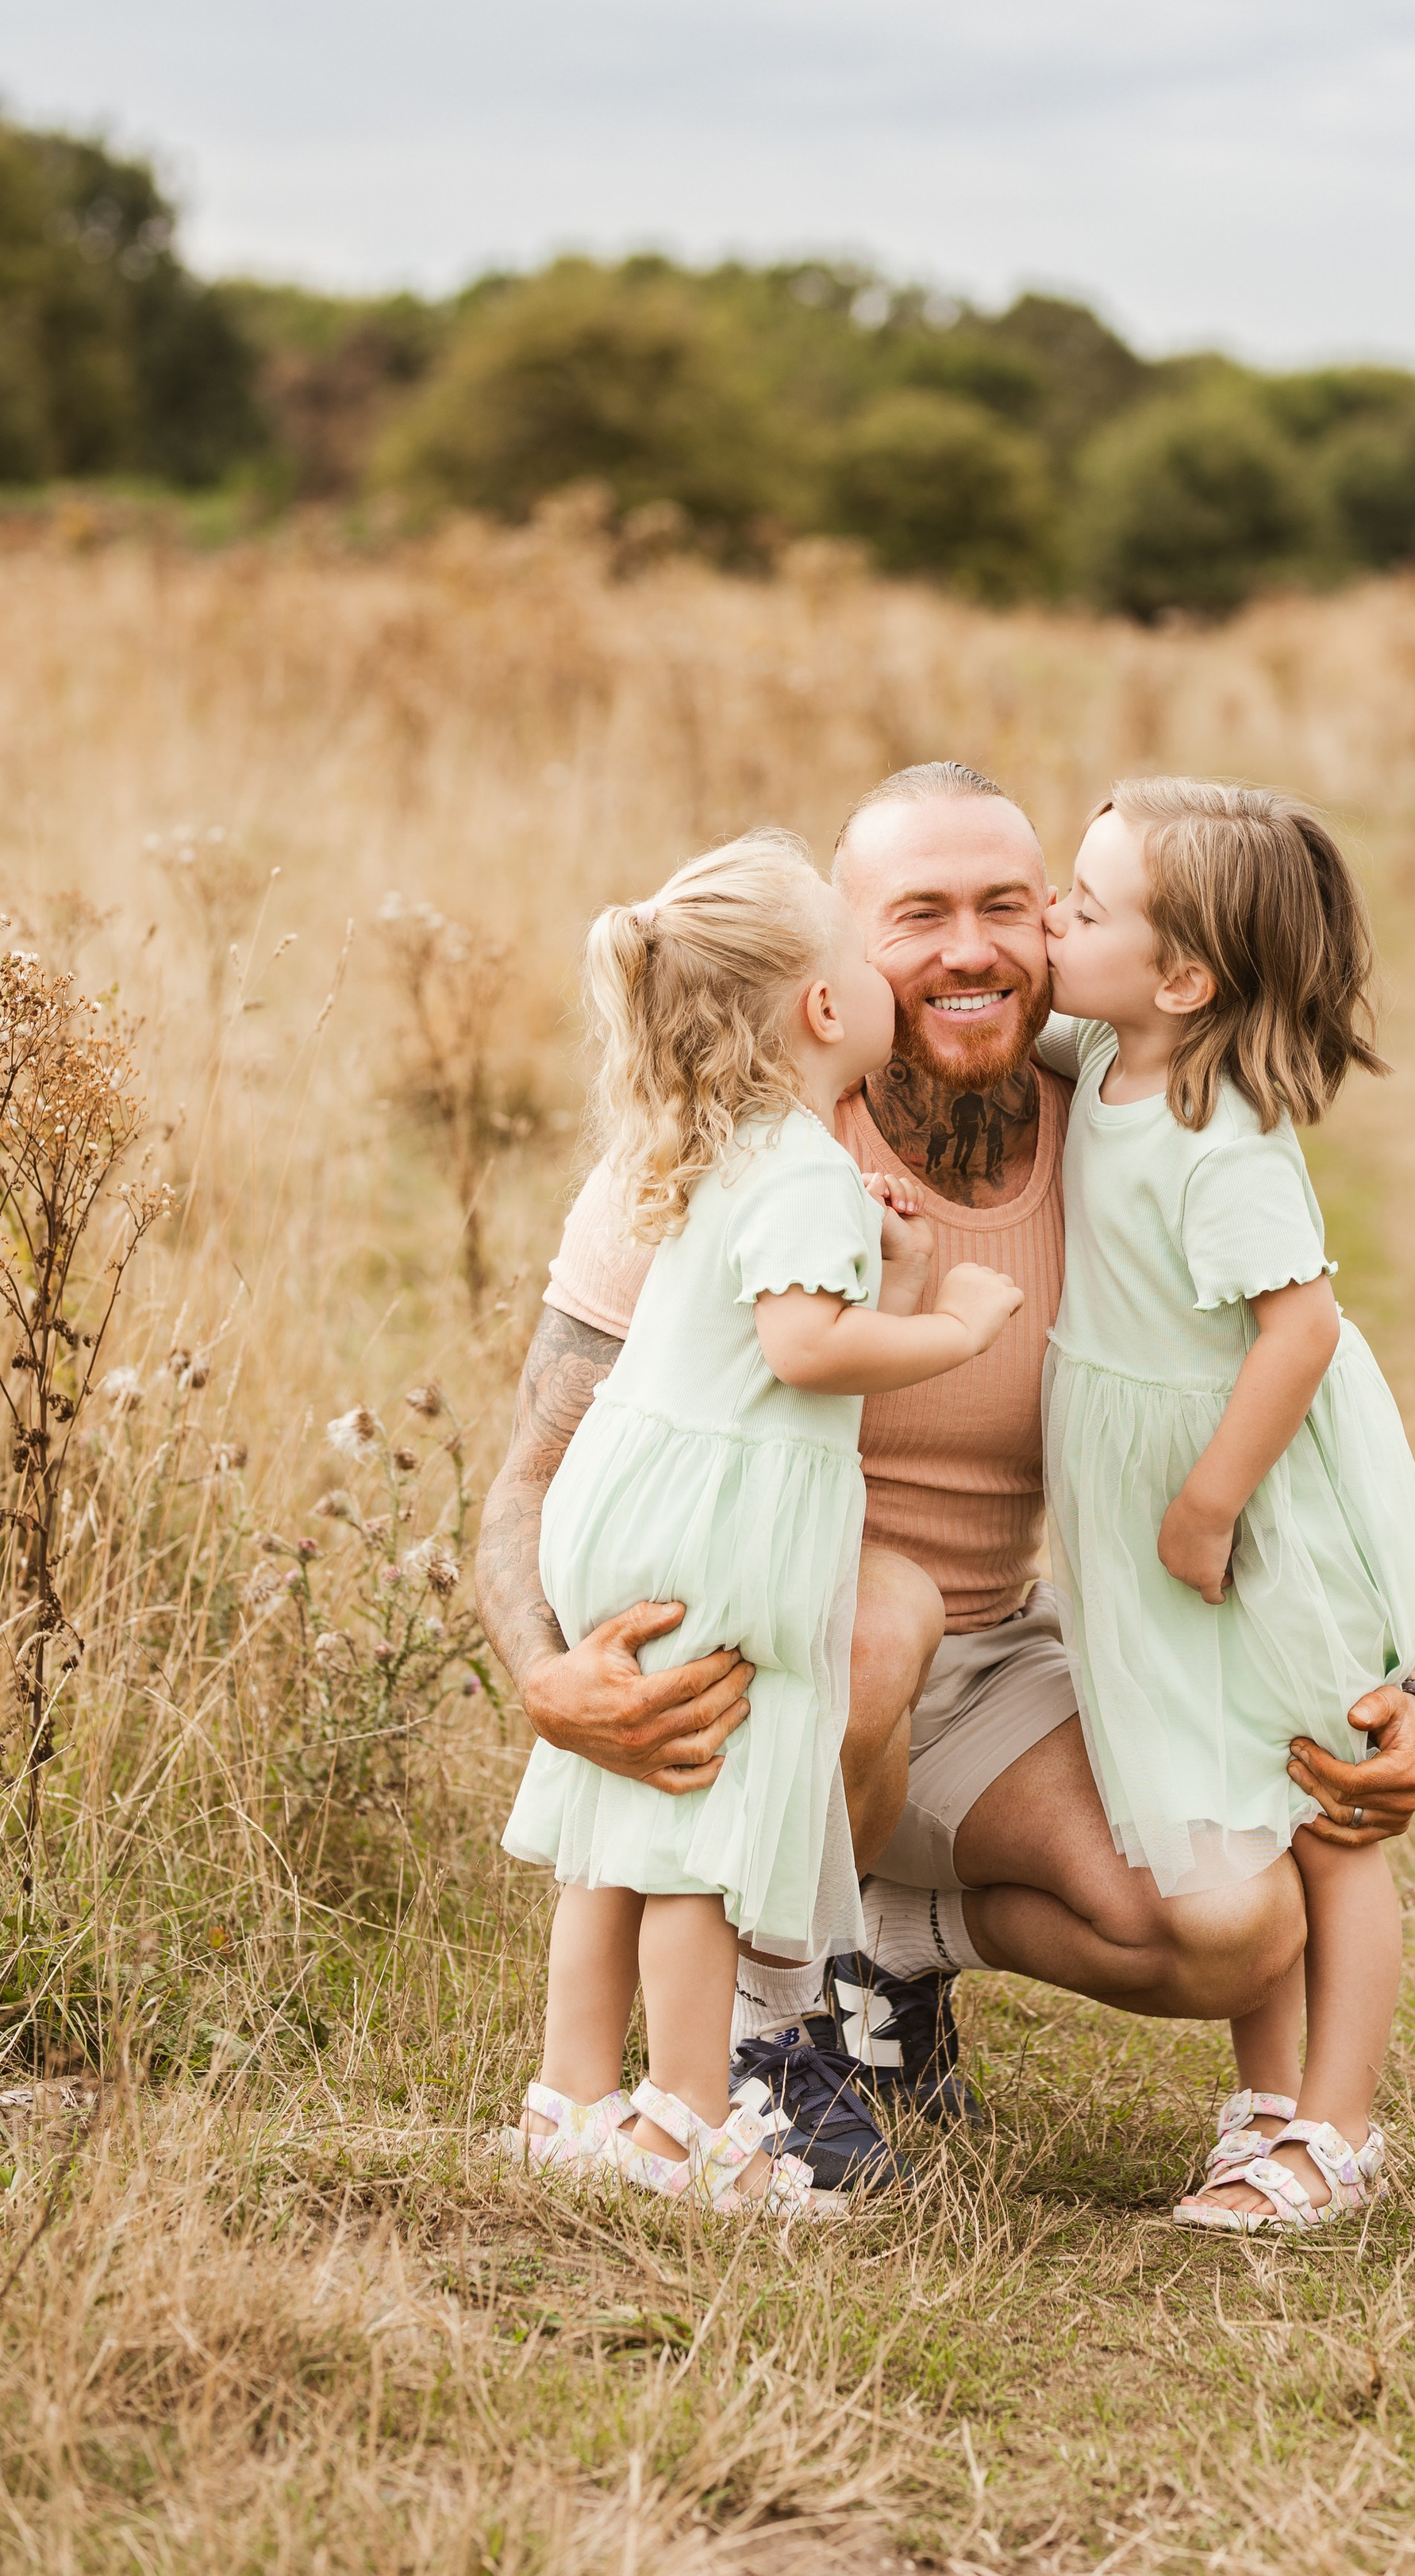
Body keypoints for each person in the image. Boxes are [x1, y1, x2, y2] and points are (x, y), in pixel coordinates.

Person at [475, 764, 1415, 2191]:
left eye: (1010, 904)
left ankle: (889, 1951)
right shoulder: (713, 1159)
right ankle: (776, 2043)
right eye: (916, 915)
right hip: (793, 1659)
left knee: (1236, 1931)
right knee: (878, 1611)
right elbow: (526, 1481)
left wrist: (1409, 1696)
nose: (973, 949)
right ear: (832, 964)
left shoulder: (1115, 1108)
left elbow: (1296, 1418)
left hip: (1004, 1667)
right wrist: (543, 1677)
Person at [498, 830, 1021, 2214]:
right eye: (861, 951)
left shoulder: (715, 1145)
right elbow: (802, 1352)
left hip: (626, 1498)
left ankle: (571, 2102)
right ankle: (686, 2120)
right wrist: (957, 1320)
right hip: (713, 1518)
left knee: (625, 1817)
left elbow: (783, 1340)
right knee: (706, 1830)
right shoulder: (797, 1165)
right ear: (825, 1008)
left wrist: (895, 1273)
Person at [1039, 780, 1415, 2232]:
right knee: (1220, 1789)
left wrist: (1209, 1502)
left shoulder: (1228, 1137)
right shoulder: (1101, 1053)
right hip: (1151, 1493)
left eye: (1082, 905)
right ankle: (1264, 2106)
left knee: (1323, 1806)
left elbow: (1301, 1332)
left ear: (1185, 978)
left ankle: (1334, 2129)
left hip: (1261, 1508)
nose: (1047, 917)